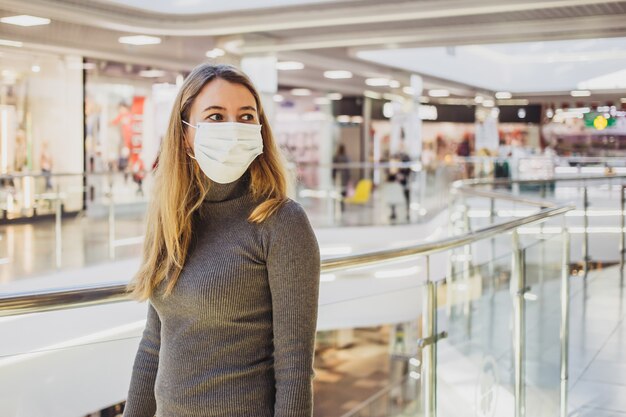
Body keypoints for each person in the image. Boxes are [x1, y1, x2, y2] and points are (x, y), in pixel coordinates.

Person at [123, 63, 320, 417]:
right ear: (185, 133)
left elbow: (294, 366)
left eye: (246, 117)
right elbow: (154, 343)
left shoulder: (281, 222)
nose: (233, 128)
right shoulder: (173, 217)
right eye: (215, 116)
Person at [332, 144, 350, 211]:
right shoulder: (346, 157)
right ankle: (342, 208)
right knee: (343, 193)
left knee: (336, 193)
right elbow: (348, 169)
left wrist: (333, 177)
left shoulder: (336, 157)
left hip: (338, 177)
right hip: (344, 178)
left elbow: (334, 169)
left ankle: (335, 208)